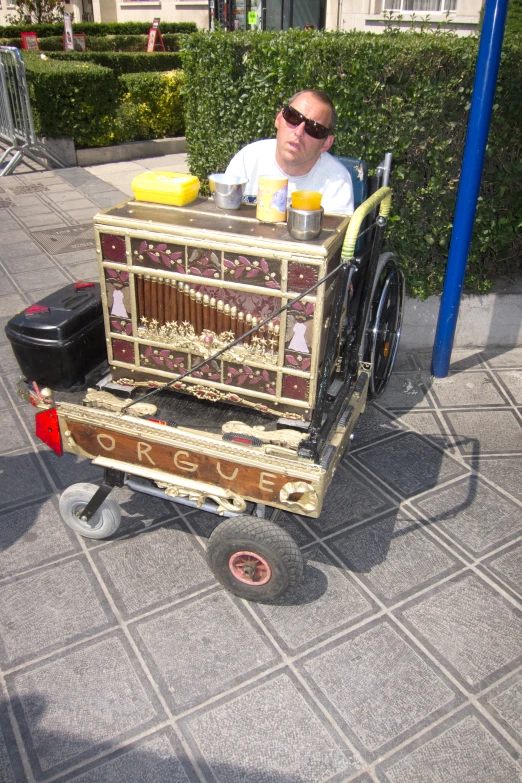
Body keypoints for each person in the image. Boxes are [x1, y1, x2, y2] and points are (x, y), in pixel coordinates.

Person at [225, 89, 354, 215]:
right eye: (293, 117)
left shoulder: (337, 183)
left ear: (326, 143)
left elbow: (333, 236)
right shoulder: (247, 160)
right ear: (279, 118)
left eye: (314, 128)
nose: (299, 132)